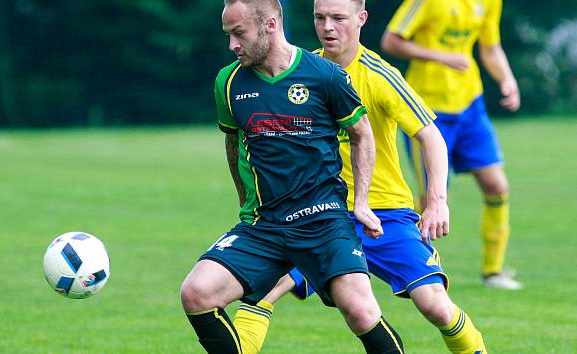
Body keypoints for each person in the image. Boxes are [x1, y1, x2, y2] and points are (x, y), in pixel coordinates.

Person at [230, 0, 488, 353]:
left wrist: (436, 201)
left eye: (338, 18)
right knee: (263, 291)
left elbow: (431, 137)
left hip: (385, 214)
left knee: (434, 304)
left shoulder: (380, 75)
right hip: (317, 214)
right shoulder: (301, 70)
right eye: (320, 18)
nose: (328, 27)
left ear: (361, 19)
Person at [180, 0, 406, 353]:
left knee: (361, 311)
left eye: (239, 34)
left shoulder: (325, 75)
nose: (232, 45)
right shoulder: (229, 82)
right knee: (196, 293)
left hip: (323, 222)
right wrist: (245, 203)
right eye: (228, 35)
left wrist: (360, 202)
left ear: (270, 25)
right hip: (265, 226)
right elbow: (232, 142)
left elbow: (362, 133)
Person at [380, 0, 523, 289]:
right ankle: (425, 274)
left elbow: (490, 47)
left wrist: (507, 79)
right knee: (432, 197)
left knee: (497, 186)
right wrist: (439, 57)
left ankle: (493, 271)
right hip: (427, 111)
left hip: (471, 104)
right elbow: (391, 41)